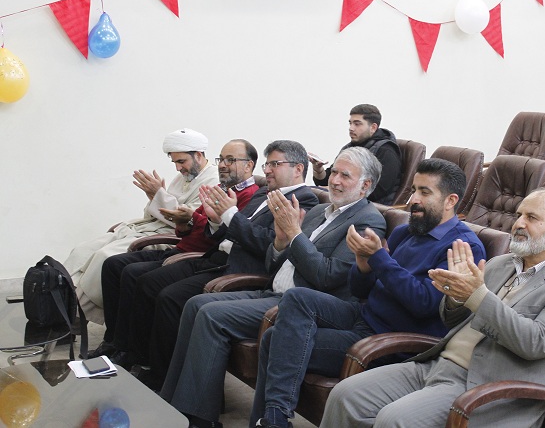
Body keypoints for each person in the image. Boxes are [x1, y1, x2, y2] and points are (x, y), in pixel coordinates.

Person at [321, 189, 545, 428]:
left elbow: (535, 342)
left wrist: (477, 296)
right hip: (436, 365)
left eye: (531, 218)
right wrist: (456, 297)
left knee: (395, 419)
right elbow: (452, 319)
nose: (518, 223)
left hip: (489, 389)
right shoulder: (500, 264)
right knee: (346, 394)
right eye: (518, 215)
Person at [160, 147, 387, 428]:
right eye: (334, 173)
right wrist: (280, 243)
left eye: (345, 176)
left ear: (365, 185)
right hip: (272, 291)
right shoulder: (318, 211)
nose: (335, 180)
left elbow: (327, 276)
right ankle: (174, 403)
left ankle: (198, 418)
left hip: (303, 306)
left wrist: (294, 234)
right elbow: (273, 263)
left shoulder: (368, 220)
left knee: (211, 315)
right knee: (196, 303)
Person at [251, 158, 487, 428]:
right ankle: (274, 418)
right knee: (297, 297)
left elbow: (425, 304)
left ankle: (273, 419)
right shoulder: (404, 233)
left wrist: (379, 258)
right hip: (363, 317)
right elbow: (360, 290)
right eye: (413, 190)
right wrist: (363, 266)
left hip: (392, 341)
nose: (413, 200)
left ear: (450, 200)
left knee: (273, 339)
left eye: (424, 192)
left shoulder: (463, 247)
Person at [118, 141, 319, 386]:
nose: (267, 170)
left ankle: (161, 377)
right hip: (217, 258)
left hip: (240, 271)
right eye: (267, 164)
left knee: (170, 297)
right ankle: (138, 358)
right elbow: (229, 232)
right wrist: (215, 221)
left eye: (274, 164)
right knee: (147, 281)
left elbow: (269, 243)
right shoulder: (263, 192)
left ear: (298, 169)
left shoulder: (304, 201)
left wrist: (229, 215)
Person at [91, 139, 260, 359]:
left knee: (138, 276)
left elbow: (223, 237)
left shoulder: (250, 195)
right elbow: (192, 228)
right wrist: (184, 222)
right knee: (113, 264)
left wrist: (193, 219)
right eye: (221, 159)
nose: (222, 165)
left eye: (230, 160)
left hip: (199, 255)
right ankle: (115, 340)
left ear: (249, 165)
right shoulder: (219, 189)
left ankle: (132, 351)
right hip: (183, 247)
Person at [65, 128, 219, 323]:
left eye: (181, 161)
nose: (178, 168)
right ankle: (63, 300)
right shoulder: (182, 178)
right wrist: (154, 196)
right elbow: (157, 211)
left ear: (198, 155)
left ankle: (75, 313)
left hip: (169, 236)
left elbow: (187, 219)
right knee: (82, 250)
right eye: (175, 162)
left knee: (105, 256)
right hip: (148, 227)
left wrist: (158, 195)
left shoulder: (214, 179)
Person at [312, 104, 401, 205]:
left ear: (373, 127)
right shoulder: (350, 148)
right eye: (350, 123)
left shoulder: (387, 151)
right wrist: (318, 169)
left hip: (370, 208)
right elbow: (324, 182)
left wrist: (336, 189)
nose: (351, 128)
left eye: (357, 124)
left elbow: (377, 191)